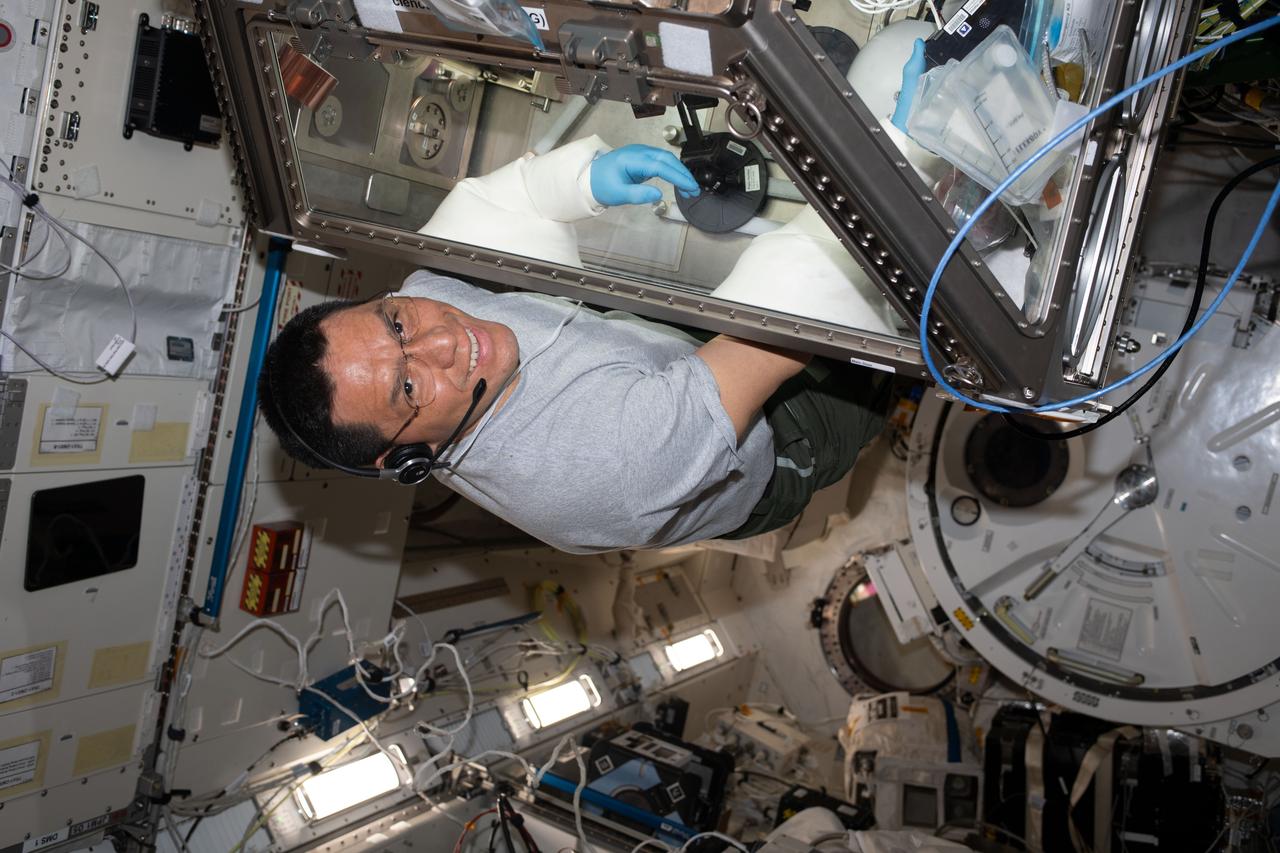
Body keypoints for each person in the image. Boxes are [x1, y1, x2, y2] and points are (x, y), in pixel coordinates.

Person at [259, 137, 889, 554]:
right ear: (407, 457)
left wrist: (580, 183)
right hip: (777, 442)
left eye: (395, 324)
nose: (444, 339)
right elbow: (788, 319)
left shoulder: (424, 301)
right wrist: (893, 155)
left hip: (651, 352)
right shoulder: (601, 470)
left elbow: (497, 206)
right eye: (408, 386)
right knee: (881, 317)